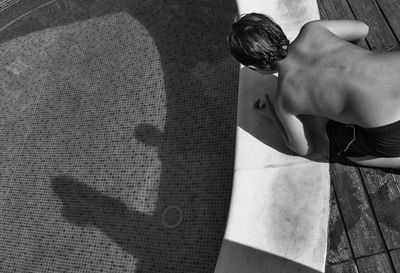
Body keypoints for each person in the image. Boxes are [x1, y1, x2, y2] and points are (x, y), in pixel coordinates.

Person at [228, 13, 400, 168]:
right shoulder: (313, 29)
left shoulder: (284, 99)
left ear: (254, 67)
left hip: (393, 129)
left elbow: (304, 148)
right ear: (277, 30)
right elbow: (363, 28)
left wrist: (272, 114)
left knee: (337, 144)